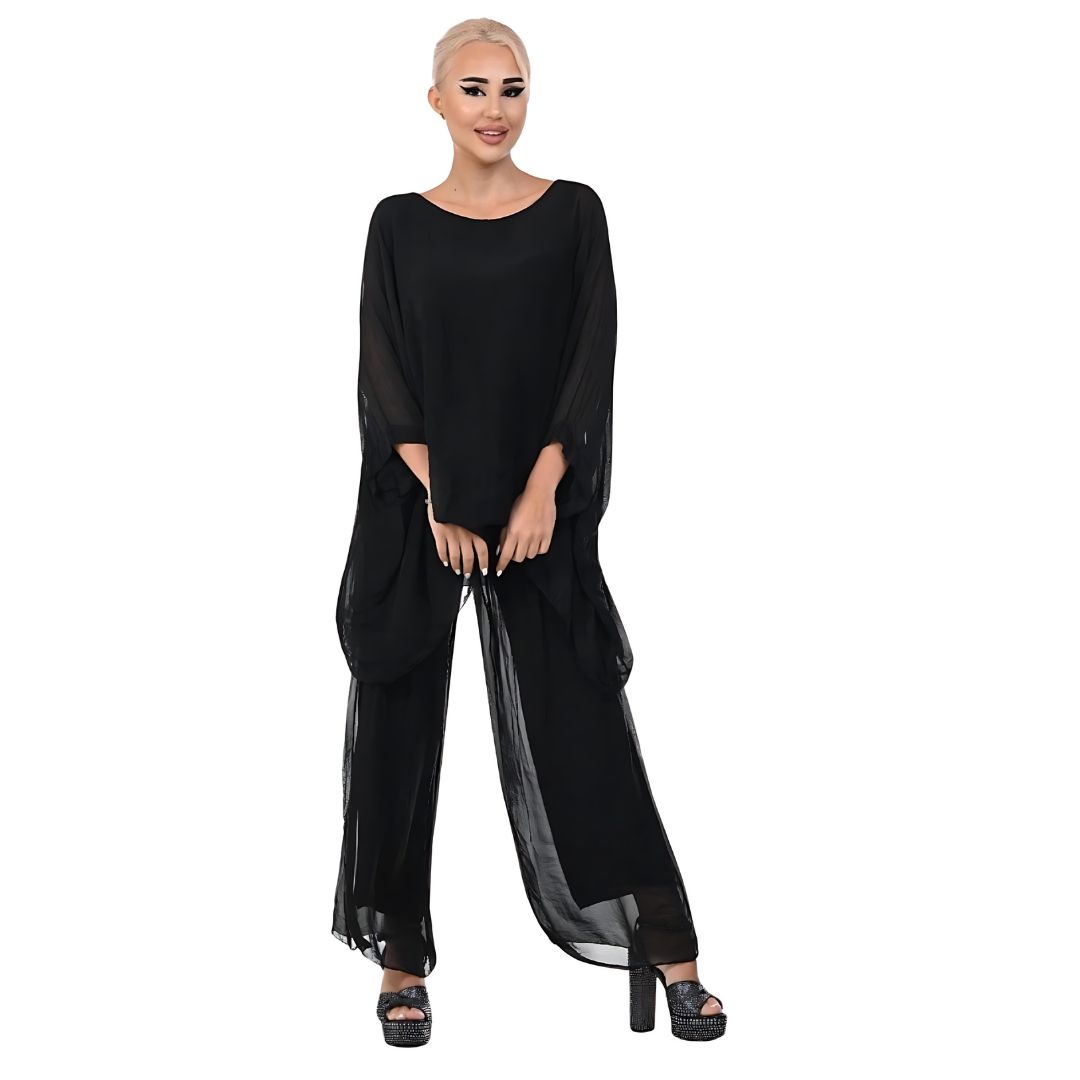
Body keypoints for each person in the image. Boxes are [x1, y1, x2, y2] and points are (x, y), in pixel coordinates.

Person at [332, 18, 727, 1046]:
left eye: (511, 88)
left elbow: (591, 359)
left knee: (581, 718)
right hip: (422, 503)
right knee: (398, 724)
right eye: (473, 89)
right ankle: (401, 959)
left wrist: (545, 487)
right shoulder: (397, 224)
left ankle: (668, 949)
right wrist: (441, 497)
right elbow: (383, 375)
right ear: (436, 102)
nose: (494, 108)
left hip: (539, 508)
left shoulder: (573, 213)